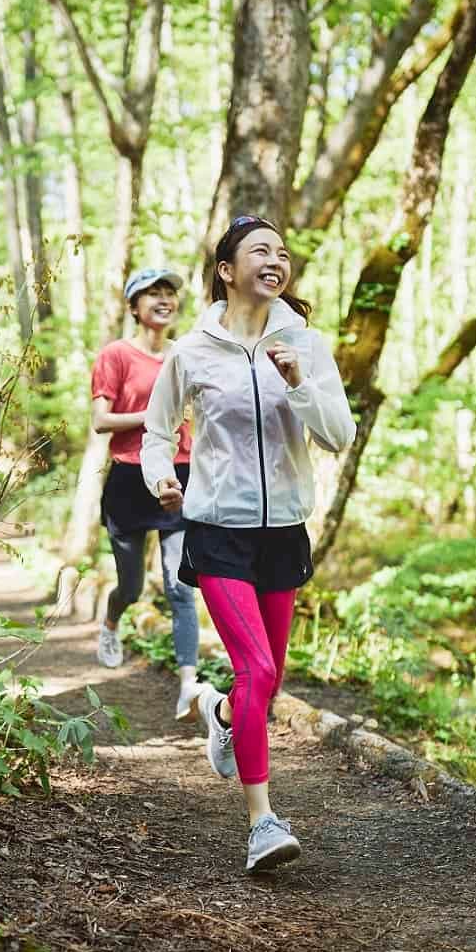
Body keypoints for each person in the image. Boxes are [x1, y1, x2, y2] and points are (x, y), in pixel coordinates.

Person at [140, 216, 356, 874]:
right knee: (259, 670)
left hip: (283, 531)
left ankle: (220, 710)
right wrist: (159, 480)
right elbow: (156, 432)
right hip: (218, 529)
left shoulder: (305, 343)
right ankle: (262, 821)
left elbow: (339, 435)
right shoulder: (192, 351)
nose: (276, 259)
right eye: (261, 249)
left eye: (283, 251)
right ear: (228, 270)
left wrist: (298, 381)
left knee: (266, 678)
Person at [91, 267, 201, 720]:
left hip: (179, 473)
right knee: (133, 586)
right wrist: (156, 416)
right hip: (129, 479)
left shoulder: (190, 354)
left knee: (180, 586)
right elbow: (101, 421)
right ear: (134, 307)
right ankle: (112, 620)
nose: (163, 300)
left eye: (169, 293)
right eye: (151, 293)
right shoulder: (116, 355)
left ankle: (188, 685)